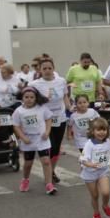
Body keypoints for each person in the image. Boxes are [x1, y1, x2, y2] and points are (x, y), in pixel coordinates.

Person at [30, 57, 71, 186]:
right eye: (44, 68)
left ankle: (51, 171)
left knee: (56, 148)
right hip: (44, 120)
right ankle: (49, 172)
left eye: (50, 68)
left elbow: (65, 96)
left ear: (54, 69)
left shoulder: (61, 81)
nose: (47, 71)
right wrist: (43, 100)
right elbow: (30, 101)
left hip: (60, 117)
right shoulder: (34, 85)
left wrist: (70, 108)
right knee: (50, 146)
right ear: (40, 70)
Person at [12, 86, 56, 194]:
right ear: (22, 98)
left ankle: (49, 184)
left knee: (46, 161)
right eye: (26, 97)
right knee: (28, 163)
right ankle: (25, 180)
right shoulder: (18, 111)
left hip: (42, 139)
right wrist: (23, 137)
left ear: (36, 98)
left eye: (32, 97)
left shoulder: (42, 108)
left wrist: (47, 132)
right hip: (28, 141)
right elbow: (16, 126)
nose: (29, 99)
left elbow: (48, 119)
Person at [80, 118, 110, 218]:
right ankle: (96, 212)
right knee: (95, 195)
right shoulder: (89, 144)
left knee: (106, 192)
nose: (101, 132)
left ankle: (105, 205)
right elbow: (82, 159)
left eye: (104, 130)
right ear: (92, 131)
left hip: (103, 170)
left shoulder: (108, 142)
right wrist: (91, 164)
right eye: (98, 130)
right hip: (90, 172)